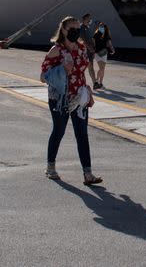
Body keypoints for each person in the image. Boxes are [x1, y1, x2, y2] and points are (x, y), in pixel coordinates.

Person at [40, 16, 102, 185]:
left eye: (78, 29)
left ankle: (88, 174)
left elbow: (82, 72)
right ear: (64, 30)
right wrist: (62, 70)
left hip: (80, 97)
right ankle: (50, 167)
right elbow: (43, 76)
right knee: (58, 131)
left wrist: (88, 90)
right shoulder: (56, 50)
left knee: (82, 134)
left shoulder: (82, 48)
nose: (76, 32)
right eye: (72, 29)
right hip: (60, 99)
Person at [92, 22, 115, 90]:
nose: (101, 28)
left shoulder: (107, 35)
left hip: (104, 53)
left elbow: (109, 44)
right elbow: (93, 44)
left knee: (103, 69)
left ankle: (100, 83)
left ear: (105, 28)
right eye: (100, 26)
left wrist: (112, 49)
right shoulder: (96, 34)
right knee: (101, 68)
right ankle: (96, 80)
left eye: (102, 27)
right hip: (97, 53)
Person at [80, 13, 97, 83]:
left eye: (90, 18)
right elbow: (82, 40)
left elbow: (91, 39)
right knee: (83, 68)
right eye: (89, 18)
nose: (90, 20)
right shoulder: (81, 28)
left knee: (90, 67)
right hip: (85, 51)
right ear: (85, 19)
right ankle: (94, 83)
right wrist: (89, 48)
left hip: (90, 51)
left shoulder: (87, 27)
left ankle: (95, 83)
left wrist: (93, 50)